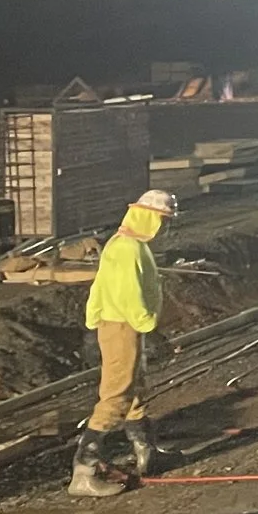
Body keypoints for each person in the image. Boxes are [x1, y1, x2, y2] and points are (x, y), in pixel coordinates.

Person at [71, 189, 181, 498]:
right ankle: (84, 470)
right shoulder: (129, 250)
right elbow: (130, 297)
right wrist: (152, 330)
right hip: (123, 326)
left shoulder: (122, 245)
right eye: (163, 220)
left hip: (118, 325)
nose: (164, 227)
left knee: (134, 390)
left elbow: (99, 289)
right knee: (116, 397)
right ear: (147, 216)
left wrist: (93, 325)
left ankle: (147, 453)